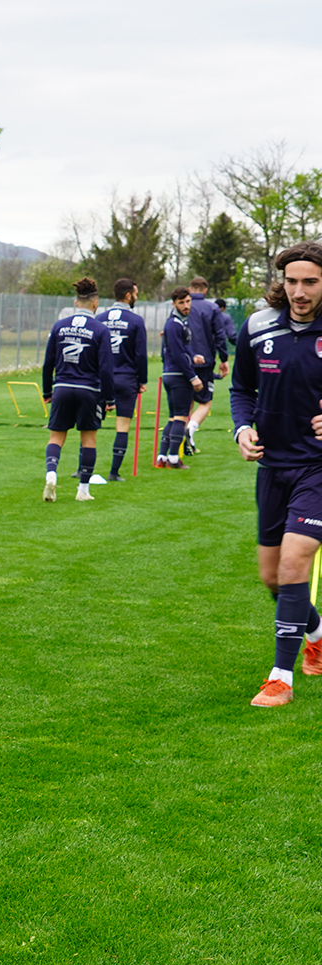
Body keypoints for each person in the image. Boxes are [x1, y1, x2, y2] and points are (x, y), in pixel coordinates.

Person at [229, 241, 322, 706]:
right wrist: (242, 429)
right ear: (280, 281)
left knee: (293, 564)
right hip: (273, 468)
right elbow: (241, 388)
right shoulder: (258, 326)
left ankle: (280, 677)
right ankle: (319, 635)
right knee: (272, 578)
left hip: (318, 470)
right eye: (292, 281)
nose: (300, 292)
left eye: (310, 282)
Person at [40, 277, 115, 501]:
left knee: (56, 437)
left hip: (62, 387)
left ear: (76, 303)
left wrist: (47, 391)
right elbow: (106, 369)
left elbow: (48, 363)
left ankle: (51, 473)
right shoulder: (100, 329)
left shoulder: (59, 326)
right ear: (95, 304)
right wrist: (109, 398)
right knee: (88, 439)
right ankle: (83, 490)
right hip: (88, 390)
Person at [97, 278, 149, 481]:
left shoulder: (99, 318)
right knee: (123, 425)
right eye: (135, 293)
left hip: (102, 379)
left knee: (91, 425)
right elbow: (141, 355)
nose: (136, 297)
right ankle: (113, 472)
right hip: (126, 379)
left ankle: (82, 469)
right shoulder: (136, 321)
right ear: (128, 295)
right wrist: (142, 380)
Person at [185, 276, 229, 453]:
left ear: (190, 288)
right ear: (205, 290)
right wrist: (224, 359)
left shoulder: (182, 306)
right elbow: (220, 335)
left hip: (184, 361)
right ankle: (190, 429)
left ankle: (181, 443)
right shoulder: (212, 308)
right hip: (204, 362)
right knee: (204, 403)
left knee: (186, 403)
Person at [157, 287, 201, 468]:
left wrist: (193, 356)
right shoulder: (174, 324)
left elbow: (184, 348)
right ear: (174, 303)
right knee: (181, 417)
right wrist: (192, 377)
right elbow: (176, 353)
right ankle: (174, 459)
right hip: (178, 375)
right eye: (181, 302)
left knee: (173, 418)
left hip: (170, 374)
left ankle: (162, 458)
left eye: (188, 301)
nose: (186, 306)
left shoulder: (180, 323)